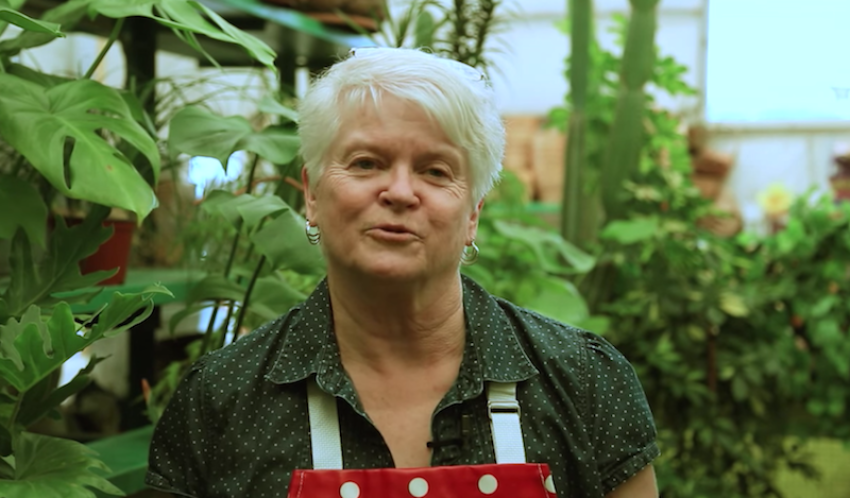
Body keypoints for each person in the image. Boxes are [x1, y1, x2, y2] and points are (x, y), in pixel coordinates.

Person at [146, 47, 660, 498]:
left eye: (435, 171)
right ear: (312, 194)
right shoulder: (222, 401)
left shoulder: (584, 381)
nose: (399, 191)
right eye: (367, 163)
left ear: (473, 213)